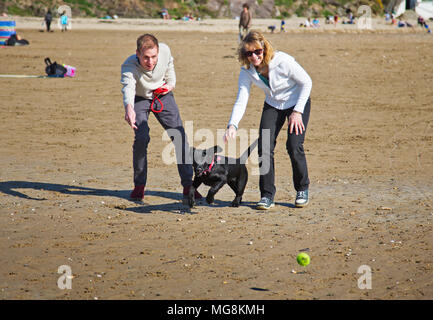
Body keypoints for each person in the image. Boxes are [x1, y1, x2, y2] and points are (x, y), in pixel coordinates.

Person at [223, 30, 312, 210]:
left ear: (264, 48)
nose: (254, 56)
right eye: (249, 53)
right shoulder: (247, 71)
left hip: (297, 103)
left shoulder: (282, 61)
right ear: (244, 54)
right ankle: (266, 195)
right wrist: (232, 124)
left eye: (257, 51)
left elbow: (306, 82)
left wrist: (297, 112)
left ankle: (302, 189)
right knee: (264, 147)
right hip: (273, 105)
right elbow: (242, 99)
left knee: (294, 146)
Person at [120, 34, 201, 201]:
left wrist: (169, 85)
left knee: (180, 137)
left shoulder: (164, 50)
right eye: (146, 58)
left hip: (162, 95)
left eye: (153, 57)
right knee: (142, 138)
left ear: (158, 52)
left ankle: (188, 186)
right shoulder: (128, 65)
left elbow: (169, 65)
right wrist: (129, 108)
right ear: (137, 53)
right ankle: (139, 186)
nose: (150, 62)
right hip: (140, 98)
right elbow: (128, 88)